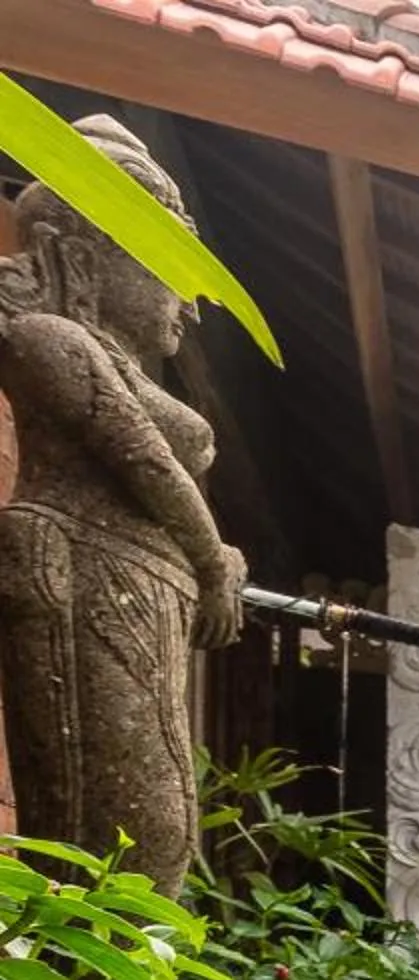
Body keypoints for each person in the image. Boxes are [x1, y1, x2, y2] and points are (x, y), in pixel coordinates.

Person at [0, 115, 243, 887]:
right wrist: (212, 560)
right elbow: (149, 464)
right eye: (169, 267)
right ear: (86, 255)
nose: (192, 305)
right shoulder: (52, 342)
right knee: (107, 836)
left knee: (165, 825)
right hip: (78, 568)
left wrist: (209, 562)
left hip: (139, 585)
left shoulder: (113, 361)